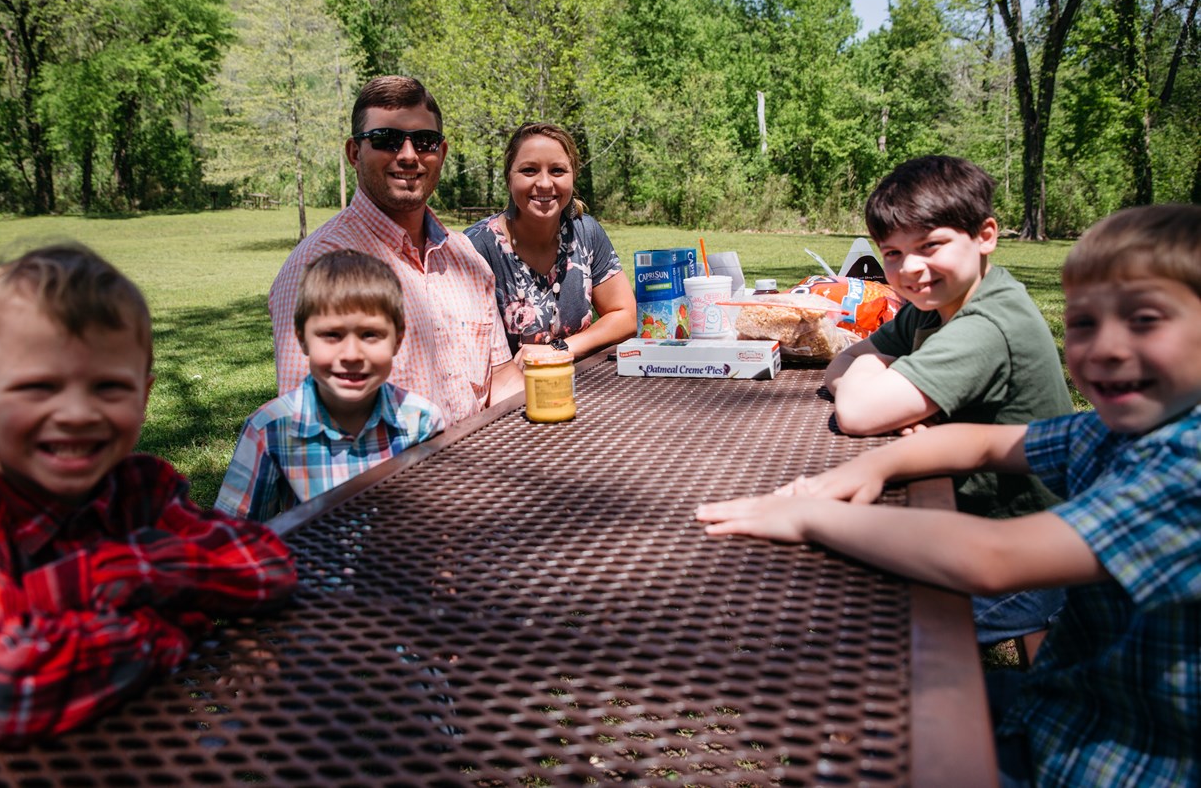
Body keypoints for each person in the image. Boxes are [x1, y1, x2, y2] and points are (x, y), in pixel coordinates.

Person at [698, 204, 1201, 787]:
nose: (1107, 348)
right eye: (1085, 324)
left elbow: (992, 558)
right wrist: (880, 464)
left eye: (1144, 321)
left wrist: (810, 517)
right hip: (1073, 697)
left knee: (858, 686)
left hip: (1113, 757)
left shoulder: (1184, 467)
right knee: (865, 712)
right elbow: (984, 444)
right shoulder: (1118, 430)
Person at [0, 244, 297, 743]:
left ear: (143, 395)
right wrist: (169, 630)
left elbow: (267, 564)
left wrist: (124, 571)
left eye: (108, 387)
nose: (76, 413)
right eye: (38, 386)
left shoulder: (140, 492)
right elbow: (2, 689)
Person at [822, 155, 1073, 647]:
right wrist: (870, 375)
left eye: (930, 245)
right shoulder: (933, 308)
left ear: (985, 236)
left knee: (861, 631)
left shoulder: (985, 324)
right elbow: (839, 364)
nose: (910, 269)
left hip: (1029, 556)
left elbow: (855, 411)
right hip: (974, 525)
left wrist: (871, 378)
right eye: (892, 253)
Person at [269, 76, 520, 427]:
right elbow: (304, 428)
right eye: (386, 140)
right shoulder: (315, 268)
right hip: (387, 479)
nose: (408, 155)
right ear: (355, 153)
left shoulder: (466, 258)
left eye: (424, 141)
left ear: (442, 153)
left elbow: (502, 378)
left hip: (481, 470)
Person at [217, 251, 443, 522]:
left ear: (397, 340)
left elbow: (436, 521)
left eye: (370, 335)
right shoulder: (270, 430)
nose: (351, 355)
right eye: (331, 335)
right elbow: (233, 537)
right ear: (302, 339)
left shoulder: (422, 422)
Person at [465, 122, 636, 363]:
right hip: (506, 395)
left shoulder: (585, 232)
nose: (545, 183)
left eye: (557, 171)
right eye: (529, 170)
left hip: (577, 385)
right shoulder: (475, 248)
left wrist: (560, 349)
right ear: (508, 178)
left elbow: (625, 315)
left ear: (573, 177)